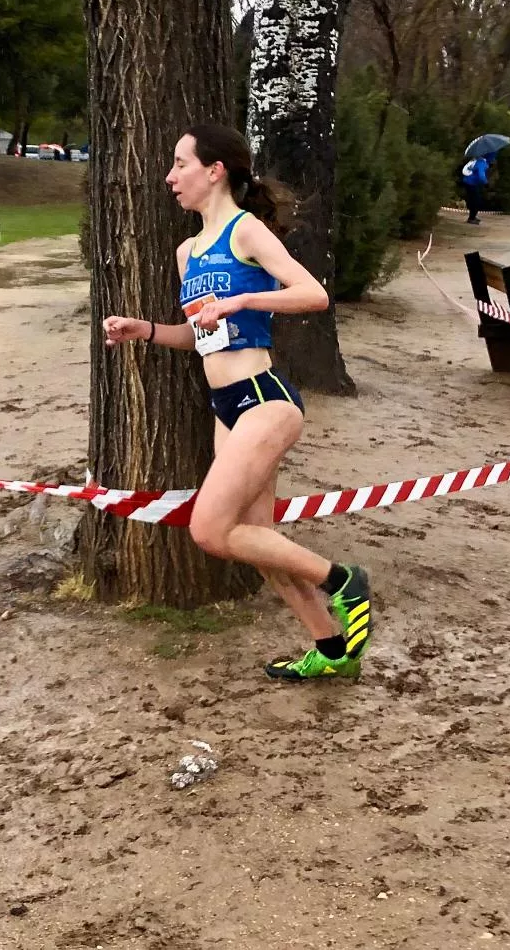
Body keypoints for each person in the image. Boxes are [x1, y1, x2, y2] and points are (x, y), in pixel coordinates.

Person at [103, 123, 373, 684]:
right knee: (258, 544)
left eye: (180, 164)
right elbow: (197, 333)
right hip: (225, 403)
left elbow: (313, 294)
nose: (170, 176)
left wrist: (242, 298)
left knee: (209, 530)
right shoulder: (187, 251)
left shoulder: (246, 232)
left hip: (263, 400)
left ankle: (343, 580)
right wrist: (145, 330)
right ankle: (330, 649)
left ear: (214, 170)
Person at [459, 153, 490, 224]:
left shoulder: (475, 160)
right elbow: (481, 175)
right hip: (472, 183)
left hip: (467, 181)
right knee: (476, 200)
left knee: (472, 199)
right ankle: (471, 218)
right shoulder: (481, 162)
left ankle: (472, 216)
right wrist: (486, 183)